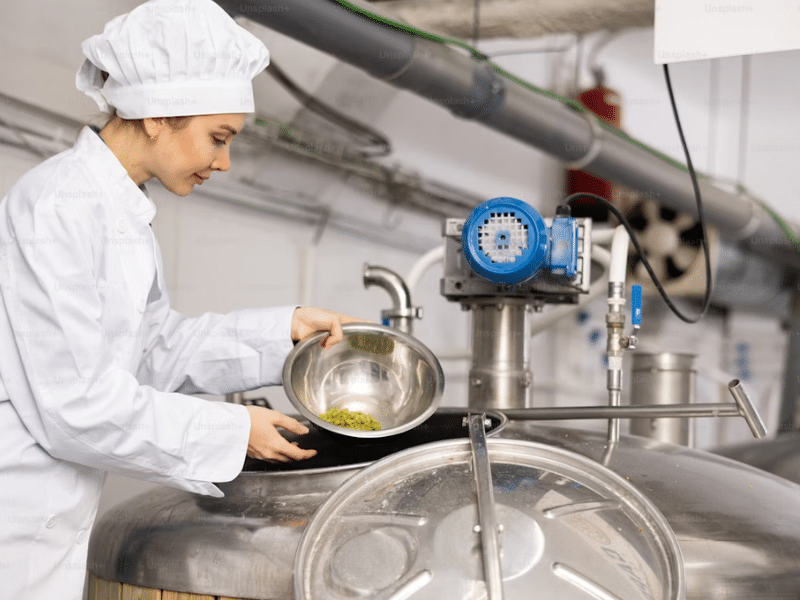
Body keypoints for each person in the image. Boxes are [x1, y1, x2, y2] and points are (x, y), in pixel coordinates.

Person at [0, 1, 358, 597]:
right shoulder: (59, 206)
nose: (223, 161)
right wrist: (231, 429)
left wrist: (284, 330)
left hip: (46, 519)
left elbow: (152, 350)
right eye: (218, 137)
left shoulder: (121, 213)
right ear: (157, 115)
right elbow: (76, 406)